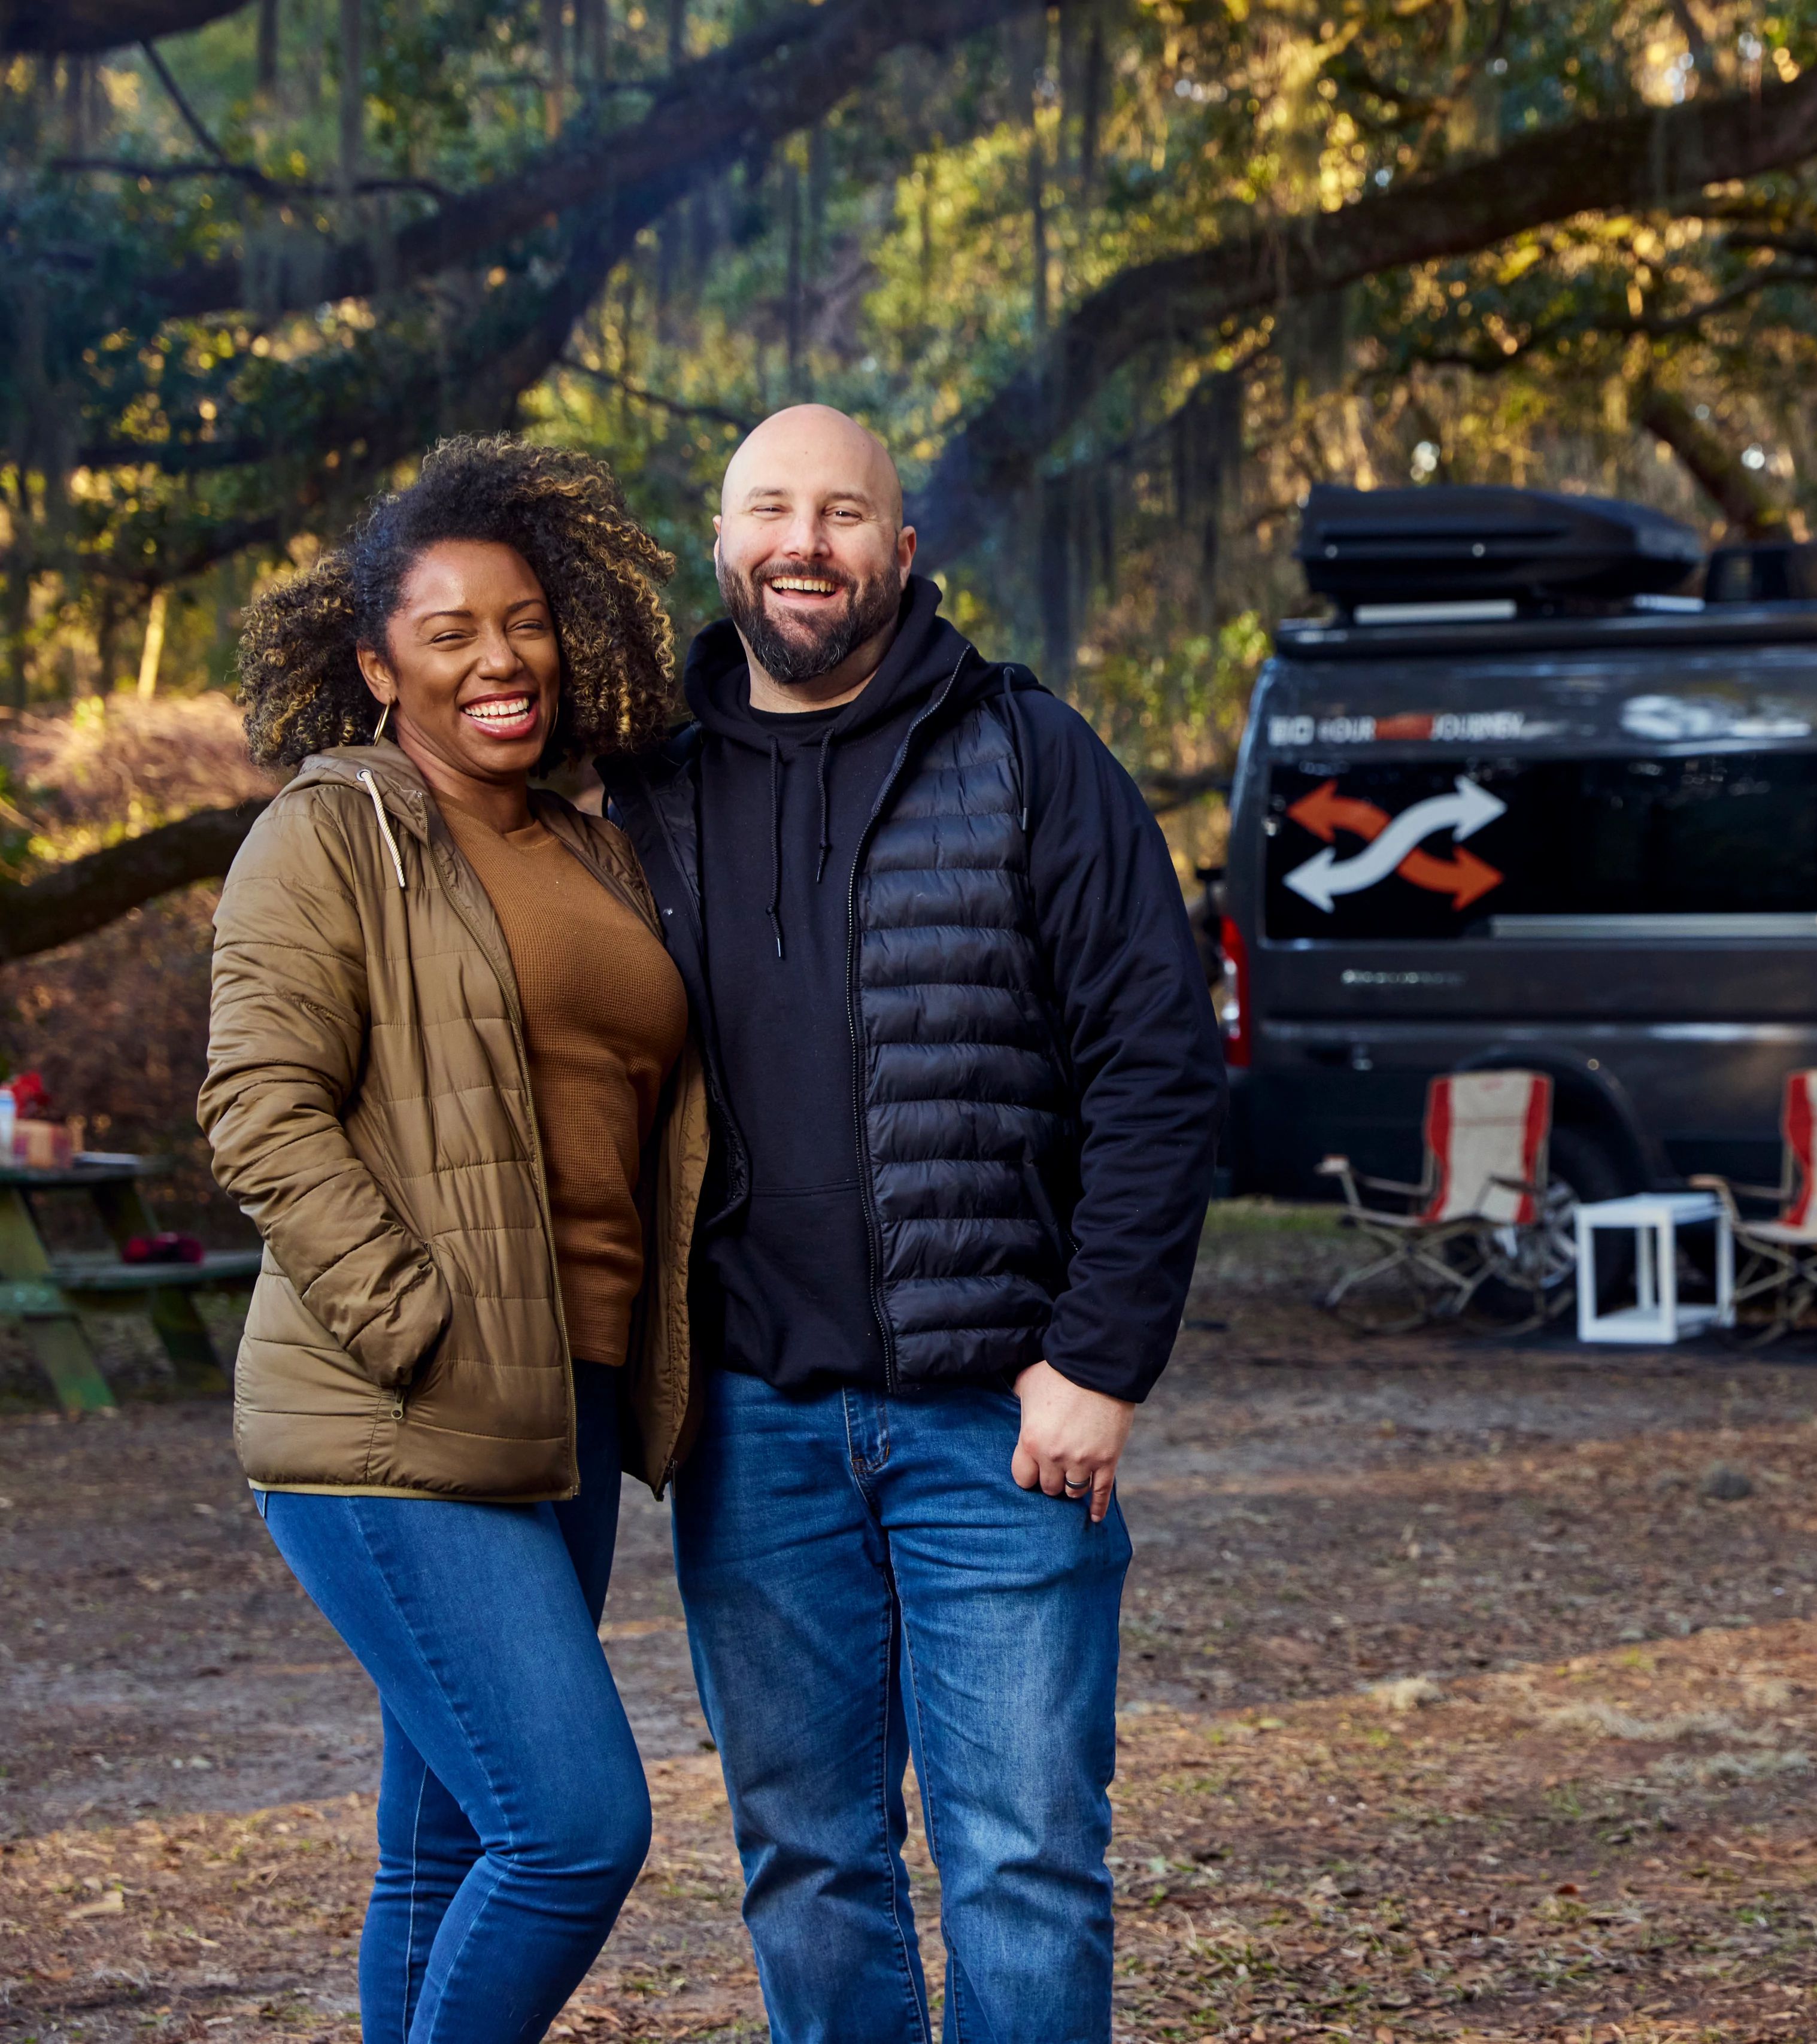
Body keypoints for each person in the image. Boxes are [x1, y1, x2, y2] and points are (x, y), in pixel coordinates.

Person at [602, 405, 1223, 2042]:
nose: (805, 543)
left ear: (904, 547)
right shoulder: (640, 788)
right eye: (770, 511)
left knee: (1024, 1860)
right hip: (749, 1422)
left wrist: (1100, 1358)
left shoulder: (1030, 756)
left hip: (1002, 1426)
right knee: (807, 1859)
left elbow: (1158, 1067)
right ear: (722, 541)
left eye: (844, 512)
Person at [201, 436, 703, 2044]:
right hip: (396, 1405)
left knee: (440, 1846)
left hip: (567, 1397)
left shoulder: (593, 838)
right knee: (573, 1829)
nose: (502, 660)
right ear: (374, 664)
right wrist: (414, 1317)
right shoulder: (332, 832)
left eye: (528, 620)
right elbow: (260, 1108)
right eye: (448, 632)